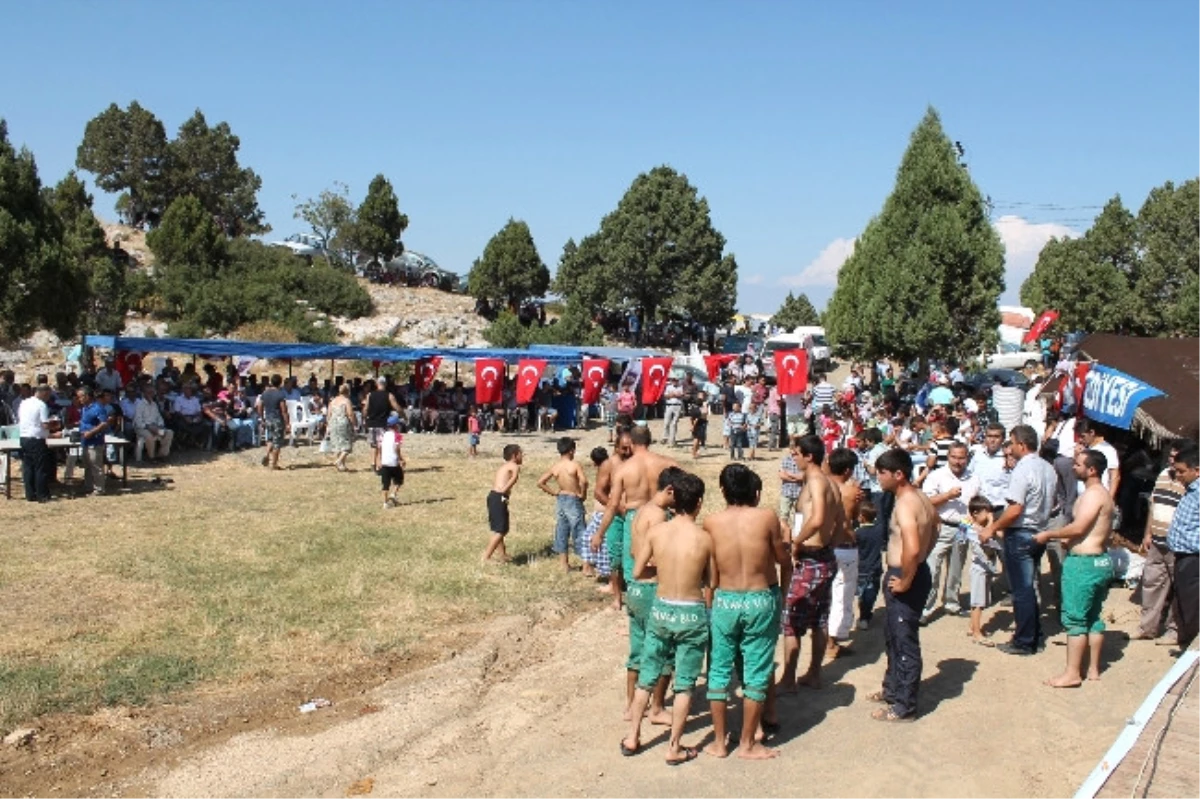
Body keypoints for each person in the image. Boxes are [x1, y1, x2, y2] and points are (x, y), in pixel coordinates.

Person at [620, 473, 711, 766]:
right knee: (684, 684)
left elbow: (636, 571)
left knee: (648, 672)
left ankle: (632, 737)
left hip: (660, 607)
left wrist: (662, 575)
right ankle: (674, 747)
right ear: (698, 503)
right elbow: (711, 582)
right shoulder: (704, 539)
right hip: (691, 610)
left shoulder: (657, 532)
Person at [1035, 450, 1116, 686]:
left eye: (1078, 464)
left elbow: (1080, 527)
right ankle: (1092, 669)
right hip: (1099, 560)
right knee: (1093, 617)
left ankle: (1072, 674)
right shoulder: (1104, 495)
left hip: (1084, 564)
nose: (1073, 468)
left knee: (1076, 619)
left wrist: (1050, 533)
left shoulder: (1093, 495)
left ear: (1091, 470)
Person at [869, 447, 937, 722]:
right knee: (893, 636)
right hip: (912, 570)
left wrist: (907, 577)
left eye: (882, 474)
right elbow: (936, 526)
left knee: (904, 640)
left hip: (905, 573)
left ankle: (904, 706)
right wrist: (920, 561)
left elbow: (912, 545)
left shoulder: (906, 503)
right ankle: (893, 689)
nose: (879, 479)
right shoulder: (920, 497)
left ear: (898, 474)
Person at [980, 425, 1058, 656]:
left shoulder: (1023, 470)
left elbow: (1015, 509)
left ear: (1021, 445)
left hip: (1022, 531)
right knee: (1029, 586)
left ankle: (1024, 640)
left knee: (1022, 590)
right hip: (1039, 530)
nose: (1009, 447)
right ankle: (1035, 635)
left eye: (1012, 442)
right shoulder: (1047, 467)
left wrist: (992, 528)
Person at [593, 425, 679, 616]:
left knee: (635, 566)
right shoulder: (668, 463)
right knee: (665, 561)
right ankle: (665, 605)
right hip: (662, 514)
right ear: (649, 441)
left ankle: (639, 610)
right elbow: (689, 489)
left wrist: (599, 533)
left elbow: (612, 505)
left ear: (631, 442)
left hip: (635, 517)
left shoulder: (624, 469)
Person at [622, 466, 684, 727]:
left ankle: (630, 705)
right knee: (664, 650)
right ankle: (656, 707)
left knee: (637, 649)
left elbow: (636, 551)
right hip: (651, 588)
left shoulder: (642, 511)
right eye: (677, 495)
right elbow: (651, 556)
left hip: (636, 588)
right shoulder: (658, 516)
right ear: (669, 490)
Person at [781, 434, 844, 690]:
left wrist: (797, 542)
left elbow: (817, 518)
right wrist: (830, 545)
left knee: (792, 621)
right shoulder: (830, 484)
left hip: (810, 556)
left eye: (796, 454)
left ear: (808, 456)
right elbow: (840, 523)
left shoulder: (817, 482)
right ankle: (814, 673)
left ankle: (788, 680)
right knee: (819, 619)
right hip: (825, 555)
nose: (793, 458)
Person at [920, 442, 981, 622]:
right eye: (954, 457)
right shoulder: (937, 476)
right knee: (933, 567)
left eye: (961, 457)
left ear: (967, 458)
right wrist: (947, 496)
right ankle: (926, 608)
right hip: (941, 524)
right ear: (948, 457)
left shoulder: (974, 478)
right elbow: (926, 501)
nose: (957, 461)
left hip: (963, 526)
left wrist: (975, 518)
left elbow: (978, 502)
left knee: (956, 566)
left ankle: (951, 603)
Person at [1136, 441, 1187, 644]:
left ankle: (1174, 631)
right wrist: (1147, 533)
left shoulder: (1189, 481)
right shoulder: (1164, 474)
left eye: (1175, 458)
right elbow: (1153, 504)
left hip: (1178, 544)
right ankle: (1147, 627)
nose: (1171, 460)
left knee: (1178, 589)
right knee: (1151, 583)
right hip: (1157, 540)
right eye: (1170, 456)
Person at [826, 447, 862, 655]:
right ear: (848, 470)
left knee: (827, 594)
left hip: (825, 544)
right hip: (845, 545)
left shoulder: (821, 487)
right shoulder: (851, 491)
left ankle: (824, 637)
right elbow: (854, 518)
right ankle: (832, 641)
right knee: (842, 593)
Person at [591, 429, 633, 605]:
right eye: (623, 448)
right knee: (615, 554)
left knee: (633, 553)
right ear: (616, 447)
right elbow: (598, 492)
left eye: (630, 448)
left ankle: (631, 590)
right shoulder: (609, 464)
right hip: (615, 514)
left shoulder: (635, 462)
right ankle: (617, 595)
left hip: (633, 513)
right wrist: (615, 505)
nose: (627, 452)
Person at [537, 437, 590, 574]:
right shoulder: (574, 465)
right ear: (572, 451)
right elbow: (584, 481)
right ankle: (586, 566)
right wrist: (582, 494)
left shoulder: (556, 466)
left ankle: (564, 564)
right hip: (573, 498)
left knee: (562, 529)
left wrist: (554, 493)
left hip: (561, 499)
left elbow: (541, 482)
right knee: (580, 530)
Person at [1166, 445, 1200, 652]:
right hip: (1184, 557)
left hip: (1194, 558)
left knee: (1193, 606)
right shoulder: (1191, 491)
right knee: (1185, 602)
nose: (1177, 476)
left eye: (1181, 471)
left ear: (1197, 470)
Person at [965, 497, 1002, 645]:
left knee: (983, 597)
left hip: (986, 566)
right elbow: (984, 537)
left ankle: (972, 626)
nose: (988, 516)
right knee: (978, 602)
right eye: (985, 512)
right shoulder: (974, 528)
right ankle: (976, 633)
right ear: (975, 513)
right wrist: (992, 522)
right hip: (979, 567)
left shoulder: (978, 525)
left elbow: (999, 535)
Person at [482, 444, 523, 564]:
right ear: (514, 455)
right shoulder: (514, 466)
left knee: (499, 527)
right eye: (521, 454)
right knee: (501, 529)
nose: (523, 456)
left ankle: (502, 554)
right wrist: (504, 491)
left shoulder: (504, 466)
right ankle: (486, 557)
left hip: (493, 496)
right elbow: (513, 478)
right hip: (499, 496)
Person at [17, 383, 57, 502]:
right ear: (44, 393)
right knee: (40, 468)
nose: (49, 397)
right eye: (48, 395)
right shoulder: (41, 405)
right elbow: (45, 424)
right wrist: (55, 425)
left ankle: (30, 493)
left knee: (28, 467)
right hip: (36, 439)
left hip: (24, 437)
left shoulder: (24, 403)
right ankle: (42, 494)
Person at [855, 499, 886, 629]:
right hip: (875, 568)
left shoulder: (858, 533)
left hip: (861, 568)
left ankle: (863, 615)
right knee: (871, 593)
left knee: (861, 593)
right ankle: (865, 616)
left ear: (861, 517)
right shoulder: (879, 531)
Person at [79, 387, 114, 496]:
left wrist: (91, 432)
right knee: (87, 465)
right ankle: (89, 486)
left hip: (95, 441)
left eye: (81, 396)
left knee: (96, 466)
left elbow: (103, 423)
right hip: (85, 441)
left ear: (87, 396)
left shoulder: (98, 408)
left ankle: (99, 488)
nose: (79, 399)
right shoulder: (85, 408)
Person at [364, 376, 402, 473]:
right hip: (382, 423)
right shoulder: (389, 395)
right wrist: (403, 415)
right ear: (385, 384)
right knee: (382, 445)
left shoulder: (370, 395)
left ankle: (373, 463)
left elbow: (365, 409)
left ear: (377, 384)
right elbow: (397, 407)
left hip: (372, 423)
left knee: (374, 445)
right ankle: (381, 464)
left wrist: (364, 419)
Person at [1076, 419, 1120, 498]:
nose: (1080, 440)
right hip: (1083, 496)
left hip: (1098, 496)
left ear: (1092, 433)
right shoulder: (1087, 449)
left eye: (1083, 436)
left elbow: (1115, 476)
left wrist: (1110, 498)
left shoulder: (1108, 450)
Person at [256, 375, 290, 470]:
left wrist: (262, 418)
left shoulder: (265, 393)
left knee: (270, 439)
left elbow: (259, 406)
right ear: (280, 383)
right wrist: (287, 423)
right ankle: (274, 464)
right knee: (277, 442)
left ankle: (267, 455)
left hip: (268, 419)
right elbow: (284, 410)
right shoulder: (280, 394)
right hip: (277, 420)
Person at [133, 384, 173, 461]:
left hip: (155, 428)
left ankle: (161, 455)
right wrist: (149, 427)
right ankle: (151, 457)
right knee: (149, 436)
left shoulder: (154, 404)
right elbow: (138, 421)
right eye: (149, 392)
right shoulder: (139, 404)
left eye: (152, 392)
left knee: (168, 433)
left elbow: (159, 417)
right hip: (142, 428)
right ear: (144, 393)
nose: (151, 394)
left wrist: (160, 426)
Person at [325, 384, 356, 472]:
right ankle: (339, 461)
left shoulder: (333, 401)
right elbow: (350, 414)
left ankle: (342, 465)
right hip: (343, 423)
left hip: (333, 422)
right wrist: (354, 424)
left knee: (338, 444)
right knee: (347, 444)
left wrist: (328, 424)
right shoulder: (346, 401)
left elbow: (328, 414)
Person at [379, 414, 407, 508]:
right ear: (396, 425)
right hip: (394, 462)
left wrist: (379, 459)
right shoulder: (398, 436)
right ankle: (393, 494)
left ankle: (385, 503)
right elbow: (396, 448)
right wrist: (401, 459)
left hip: (384, 462)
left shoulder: (383, 434)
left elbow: (380, 447)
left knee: (385, 484)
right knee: (399, 479)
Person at [778, 436, 805, 530]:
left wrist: (789, 475)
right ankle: (784, 533)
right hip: (786, 492)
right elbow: (781, 475)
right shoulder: (786, 459)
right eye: (791, 448)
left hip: (799, 493)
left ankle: (796, 533)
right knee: (783, 514)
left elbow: (803, 476)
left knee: (799, 515)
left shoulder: (803, 460)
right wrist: (795, 478)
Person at [662, 376, 684, 447]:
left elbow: (681, 395)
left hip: (677, 405)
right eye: (673, 380)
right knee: (666, 422)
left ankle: (672, 439)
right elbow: (666, 395)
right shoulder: (669, 387)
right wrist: (672, 395)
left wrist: (674, 395)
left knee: (674, 423)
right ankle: (665, 437)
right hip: (669, 405)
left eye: (675, 380)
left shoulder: (681, 387)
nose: (674, 381)